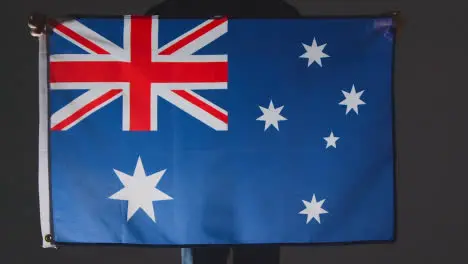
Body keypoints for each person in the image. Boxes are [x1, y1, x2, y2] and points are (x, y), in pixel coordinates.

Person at [28, 0, 300, 263]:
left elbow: (309, 58)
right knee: (202, 250)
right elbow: (117, 49)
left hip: (256, 173)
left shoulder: (275, 11)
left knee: (256, 250)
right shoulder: (172, 12)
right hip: (196, 175)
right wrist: (57, 33)